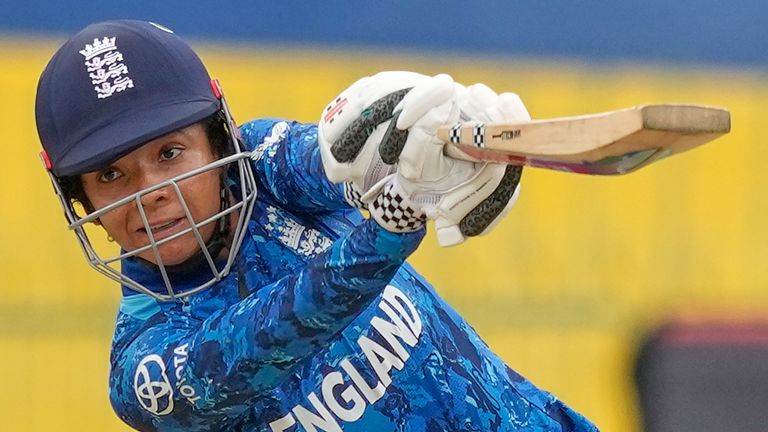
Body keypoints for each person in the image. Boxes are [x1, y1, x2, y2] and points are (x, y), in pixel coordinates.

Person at [35, 20, 597, 432]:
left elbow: (330, 156)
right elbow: (257, 341)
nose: (151, 191)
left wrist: (428, 134)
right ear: (80, 199)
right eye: (110, 174)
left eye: (171, 152)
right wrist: (387, 229)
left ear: (219, 138)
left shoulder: (262, 167)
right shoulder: (144, 364)